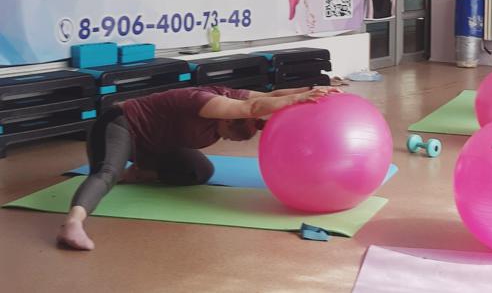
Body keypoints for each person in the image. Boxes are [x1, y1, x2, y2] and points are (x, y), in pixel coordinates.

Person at [56, 85, 339, 251]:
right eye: (229, 135)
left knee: (199, 171)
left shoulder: (237, 97)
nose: (226, 140)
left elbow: (270, 96)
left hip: (154, 145)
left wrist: (311, 90)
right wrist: (296, 100)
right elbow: (252, 109)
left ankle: (136, 173)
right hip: (119, 126)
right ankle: (73, 224)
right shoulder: (203, 101)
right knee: (106, 173)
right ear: (227, 120)